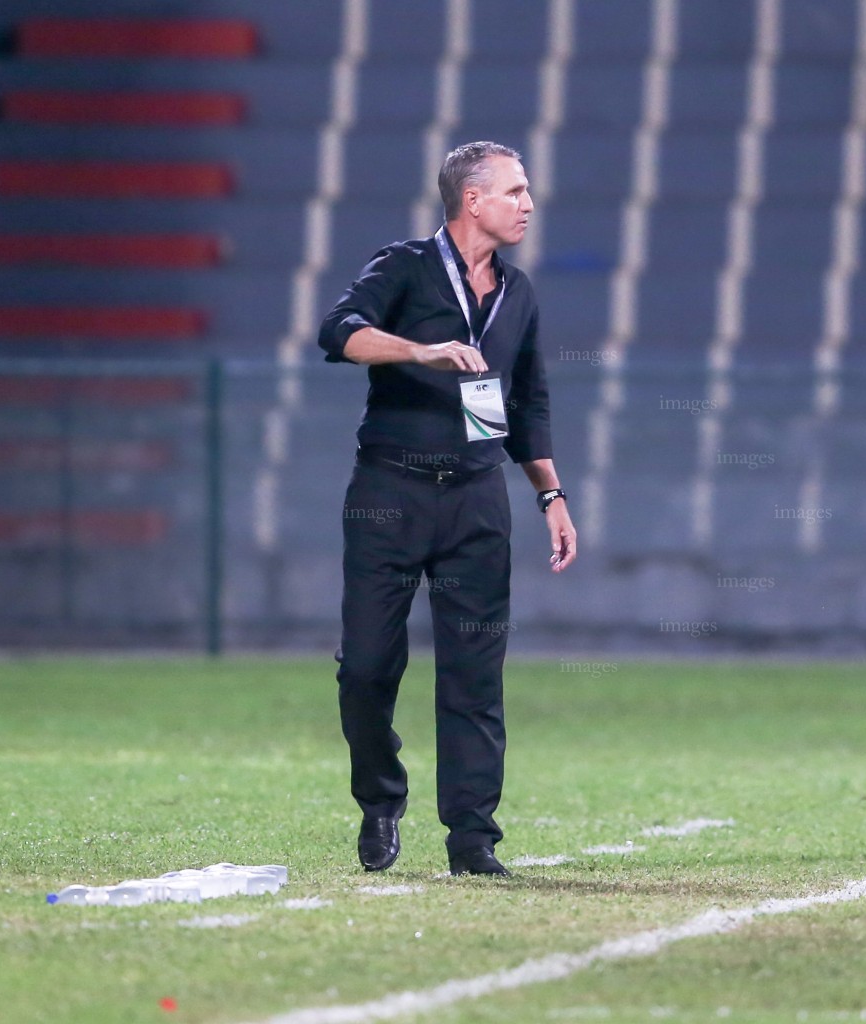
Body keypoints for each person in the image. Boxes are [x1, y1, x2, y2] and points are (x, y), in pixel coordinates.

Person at [318, 141, 576, 877]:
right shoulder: (403, 265)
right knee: (366, 668)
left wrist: (550, 494)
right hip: (389, 493)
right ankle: (380, 795)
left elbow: (528, 403)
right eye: (515, 191)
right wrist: (419, 350)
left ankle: (473, 840)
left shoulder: (518, 293)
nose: (527, 203)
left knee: (474, 673)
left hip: (476, 499)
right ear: (473, 200)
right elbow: (335, 332)